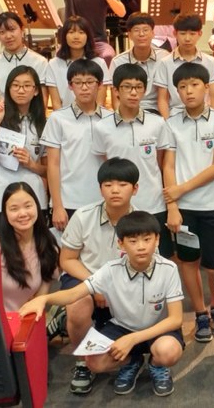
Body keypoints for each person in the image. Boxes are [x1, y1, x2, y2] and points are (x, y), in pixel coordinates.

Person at [20, 211, 184, 398]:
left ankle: (156, 365)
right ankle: (132, 361)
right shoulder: (110, 270)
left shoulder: (169, 269)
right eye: (132, 241)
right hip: (121, 327)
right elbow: (74, 294)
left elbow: (176, 319)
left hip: (158, 329)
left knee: (168, 351)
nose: (141, 247)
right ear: (120, 244)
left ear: (157, 240)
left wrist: (133, 339)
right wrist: (43, 299)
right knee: (94, 362)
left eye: (147, 240)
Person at [55, 158, 138, 395]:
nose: (114, 190)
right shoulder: (83, 216)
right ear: (100, 188)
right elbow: (67, 260)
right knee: (78, 305)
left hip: (124, 282)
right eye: (108, 185)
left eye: (122, 184)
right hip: (84, 276)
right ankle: (83, 362)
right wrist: (96, 286)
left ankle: (133, 354)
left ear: (135, 188)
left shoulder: (141, 220)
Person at [160, 62, 214, 342]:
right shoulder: (171, 124)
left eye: (194, 85)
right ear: (176, 92)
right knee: (188, 262)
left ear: (206, 88)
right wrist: (173, 205)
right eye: (182, 86)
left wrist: (182, 189)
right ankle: (200, 312)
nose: (188, 91)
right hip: (184, 208)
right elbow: (168, 166)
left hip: (213, 205)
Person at [92, 64, 169, 256]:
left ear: (144, 90)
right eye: (127, 87)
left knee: (157, 256)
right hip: (119, 206)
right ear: (116, 90)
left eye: (138, 87)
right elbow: (106, 162)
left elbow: (160, 162)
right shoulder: (102, 127)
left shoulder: (157, 123)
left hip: (153, 203)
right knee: (121, 255)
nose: (133, 92)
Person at [40, 59, 108, 230]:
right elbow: (53, 164)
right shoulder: (58, 119)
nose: (84, 87)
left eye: (90, 82)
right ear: (70, 86)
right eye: (78, 82)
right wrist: (57, 205)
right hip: (69, 201)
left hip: (105, 200)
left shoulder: (111, 119)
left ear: (100, 85)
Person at [0, 66, 48, 230]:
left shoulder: (43, 123)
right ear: (8, 89)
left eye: (26, 85)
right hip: (0, 199)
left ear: (36, 90)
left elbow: (48, 170)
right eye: (15, 85)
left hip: (34, 200)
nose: (20, 90)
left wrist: (31, 164)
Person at [0, 182, 59, 312]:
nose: (23, 213)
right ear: (5, 213)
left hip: (25, 318)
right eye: (14, 209)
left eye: (28, 206)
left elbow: (41, 295)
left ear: (37, 206)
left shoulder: (48, 245)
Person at [154, 13, 214, 118]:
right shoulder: (165, 63)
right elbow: (162, 99)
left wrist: (212, 120)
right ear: (175, 33)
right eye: (183, 33)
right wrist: (168, 123)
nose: (187, 38)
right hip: (175, 116)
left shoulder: (209, 61)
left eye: (192, 34)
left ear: (200, 34)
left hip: (204, 114)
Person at [0, 12, 49, 108]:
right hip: (4, 115)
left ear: (22, 30)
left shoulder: (40, 62)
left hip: (33, 115)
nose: (8, 36)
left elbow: (43, 100)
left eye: (12, 30)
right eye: (2, 32)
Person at [45, 15, 109, 109]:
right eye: (71, 32)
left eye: (81, 32)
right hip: (64, 116)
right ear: (64, 36)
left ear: (88, 36)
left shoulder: (99, 63)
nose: (76, 37)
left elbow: (100, 103)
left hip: (93, 115)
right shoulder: (54, 64)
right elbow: (56, 103)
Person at [107, 12, 163, 112]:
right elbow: (116, 100)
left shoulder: (163, 57)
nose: (141, 34)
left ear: (153, 33)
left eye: (145, 30)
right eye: (136, 30)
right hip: (128, 110)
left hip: (156, 110)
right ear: (129, 35)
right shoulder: (118, 61)